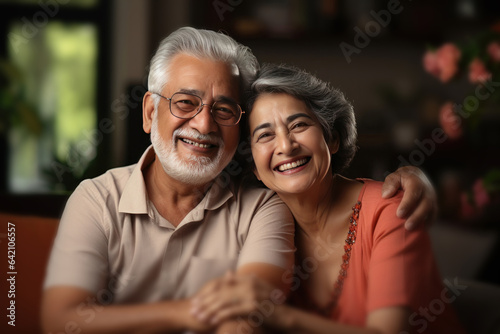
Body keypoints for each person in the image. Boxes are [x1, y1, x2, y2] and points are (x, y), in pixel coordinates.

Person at [41, 27, 437, 334]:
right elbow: (60, 320)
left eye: (224, 109)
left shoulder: (264, 209)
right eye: (185, 102)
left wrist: (417, 177)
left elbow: (246, 316)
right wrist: (187, 314)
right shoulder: (96, 198)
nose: (203, 124)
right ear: (148, 112)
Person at [190, 63, 465, 334]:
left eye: (298, 124)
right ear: (254, 168)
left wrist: (277, 315)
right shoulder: (264, 230)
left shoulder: (389, 209)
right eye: (265, 135)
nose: (286, 146)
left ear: (332, 139)